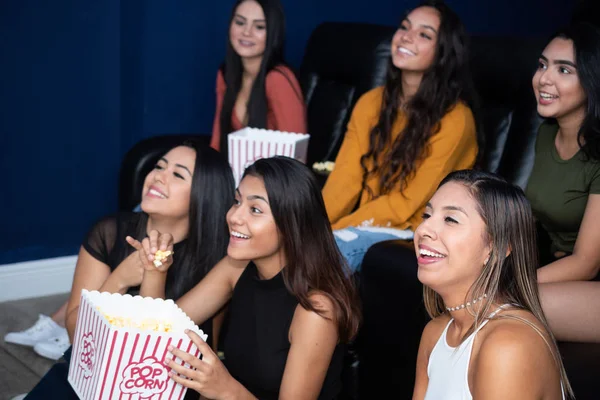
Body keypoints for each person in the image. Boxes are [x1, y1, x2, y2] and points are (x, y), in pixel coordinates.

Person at [21, 141, 235, 399]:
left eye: (177, 174)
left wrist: (154, 273)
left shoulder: (218, 259)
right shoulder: (109, 232)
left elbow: (152, 352)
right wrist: (121, 277)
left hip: (162, 385)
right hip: (91, 368)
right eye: (159, 166)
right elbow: (76, 334)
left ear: (205, 194)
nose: (158, 176)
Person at [142, 156, 361, 399]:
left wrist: (225, 389)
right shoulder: (237, 267)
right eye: (237, 202)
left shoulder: (316, 309)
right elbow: (157, 333)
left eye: (255, 209)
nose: (234, 216)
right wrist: (155, 271)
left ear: (292, 224)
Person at [322, 0, 479, 271]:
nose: (406, 36)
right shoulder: (370, 103)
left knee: (329, 257)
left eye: (424, 34)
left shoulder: (456, 119)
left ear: (443, 52)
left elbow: (406, 205)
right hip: (366, 224)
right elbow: (344, 180)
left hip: (416, 230)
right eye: (405, 27)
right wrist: (315, 226)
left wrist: (334, 231)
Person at [412, 170, 572, 400]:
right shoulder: (435, 333)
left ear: (496, 248)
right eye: (427, 215)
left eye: (450, 219)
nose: (423, 230)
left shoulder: (509, 345)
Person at [525, 22, 600, 343]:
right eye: (542, 65)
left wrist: (509, 282)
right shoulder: (546, 134)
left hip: (590, 281)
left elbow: (587, 263)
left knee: (500, 306)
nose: (544, 78)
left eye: (564, 70)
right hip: (557, 271)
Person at [210, 0, 306, 153]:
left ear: (273, 33)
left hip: (273, 175)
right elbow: (217, 141)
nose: (246, 32)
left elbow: (296, 155)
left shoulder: (278, 78)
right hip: (235, 172)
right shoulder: (226, 74)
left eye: (259, 27)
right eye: (240, 22)